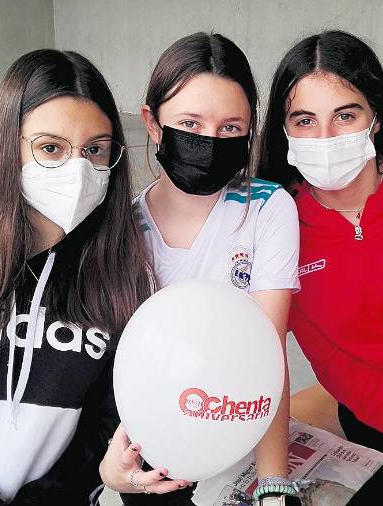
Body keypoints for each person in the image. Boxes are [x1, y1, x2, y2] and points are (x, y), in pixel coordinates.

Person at [258, 29, 383, 505]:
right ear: (283, 130)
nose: (325, 137)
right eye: (304, 120)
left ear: (376, 118)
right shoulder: (281, 229)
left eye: (345, 115)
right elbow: (341, 370)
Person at [100, 32, 299, 506]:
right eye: (190, 122)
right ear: (152, 123)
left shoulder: (267, 209)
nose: (209, 143)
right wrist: (113, 469)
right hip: (148, 447)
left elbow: (267, 359)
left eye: (231, 128)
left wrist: (274, 485)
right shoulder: (123, 226)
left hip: (237, 427)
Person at [0, 49, 152, 505]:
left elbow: (102, 427)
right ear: (8, 145)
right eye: (50, 147)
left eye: (95, 150)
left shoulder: (117, 274)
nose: (78, 170)